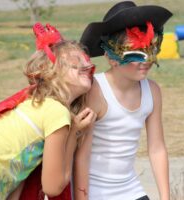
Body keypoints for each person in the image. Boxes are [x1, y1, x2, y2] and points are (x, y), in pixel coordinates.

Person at [0, 22, 96, 200]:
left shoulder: (35, 105)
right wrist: (74, 132)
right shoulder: (56, 112)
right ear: (51, 72)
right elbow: (53, 186)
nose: (86, 65)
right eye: (75, 61)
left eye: (86, 61)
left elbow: (19, 176)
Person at [73, 1, 173, 200]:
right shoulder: (95, 91)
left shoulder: (152, 91)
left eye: (150, 50)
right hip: (94, 192)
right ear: (112, 58)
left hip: (131, 190)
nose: (145, 61)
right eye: (134, 53)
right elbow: (81, 156)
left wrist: (165, 197)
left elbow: (157, 148)